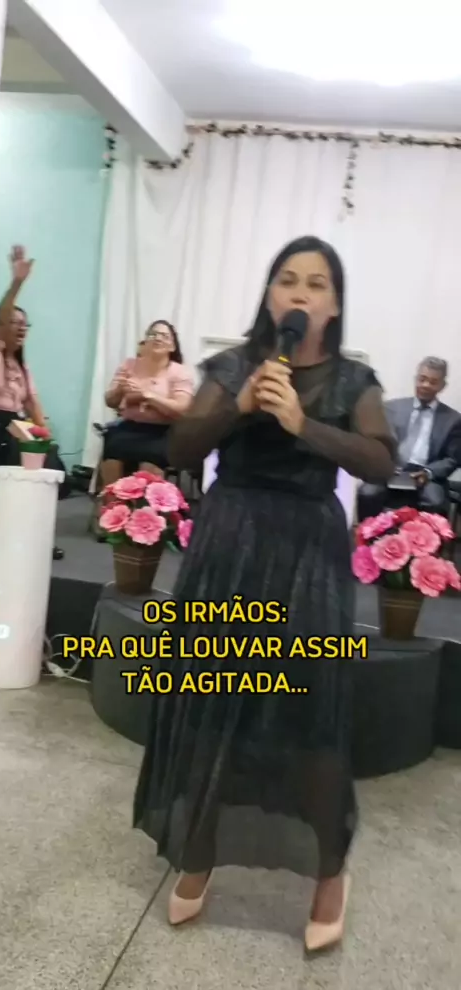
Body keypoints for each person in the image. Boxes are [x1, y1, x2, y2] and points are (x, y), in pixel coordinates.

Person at [133, 236, 395, 954]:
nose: (300, 293)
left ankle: (330, 871)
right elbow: (181, 450)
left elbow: (379, 461)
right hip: (230, 544)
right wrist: (240, 407)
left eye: (316, 283)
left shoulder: (354, 381)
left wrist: (303, 426)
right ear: (270, 295)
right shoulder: (233, 367)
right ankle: (199, 849)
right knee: (212, 699)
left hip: (308, 552)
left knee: (309, 712)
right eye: (287, 280)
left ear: (333, 305)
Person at [0, 246, 64, 560]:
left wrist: (46, 438)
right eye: (15, 323)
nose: (21, 329)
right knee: (24, 462)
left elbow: (33, 406)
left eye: (25, 325)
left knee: (51, 465)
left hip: (14, 427)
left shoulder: (21, 365)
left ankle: (32, 536)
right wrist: (16, 283)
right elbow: (0, 319)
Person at [358, 357, 461, 520]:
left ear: (442, 386)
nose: (426, 385)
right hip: (392, 470)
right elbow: (377, 442)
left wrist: (428, 472)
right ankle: (369, 535)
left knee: (435, 501)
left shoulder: (453, 419)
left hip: (427, 475)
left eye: (433, 382)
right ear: (415, 379)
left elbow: (452, 459)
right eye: (422, 379)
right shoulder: (391, 407)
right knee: (367, 493)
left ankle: (425, 537)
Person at [100, 321, 194, 485]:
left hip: (162, 432)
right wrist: (120, 389)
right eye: (153, 334)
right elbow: (110, 401)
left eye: (164, 336)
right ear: (145, 341)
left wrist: (147, 395)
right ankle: (112, 499)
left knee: (149, 465)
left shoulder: (180, 372)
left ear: (172, 346)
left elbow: (182, 409)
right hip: (129, 427)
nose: (158, 338)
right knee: (112, 456)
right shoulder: (129, 365)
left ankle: (146, 501)